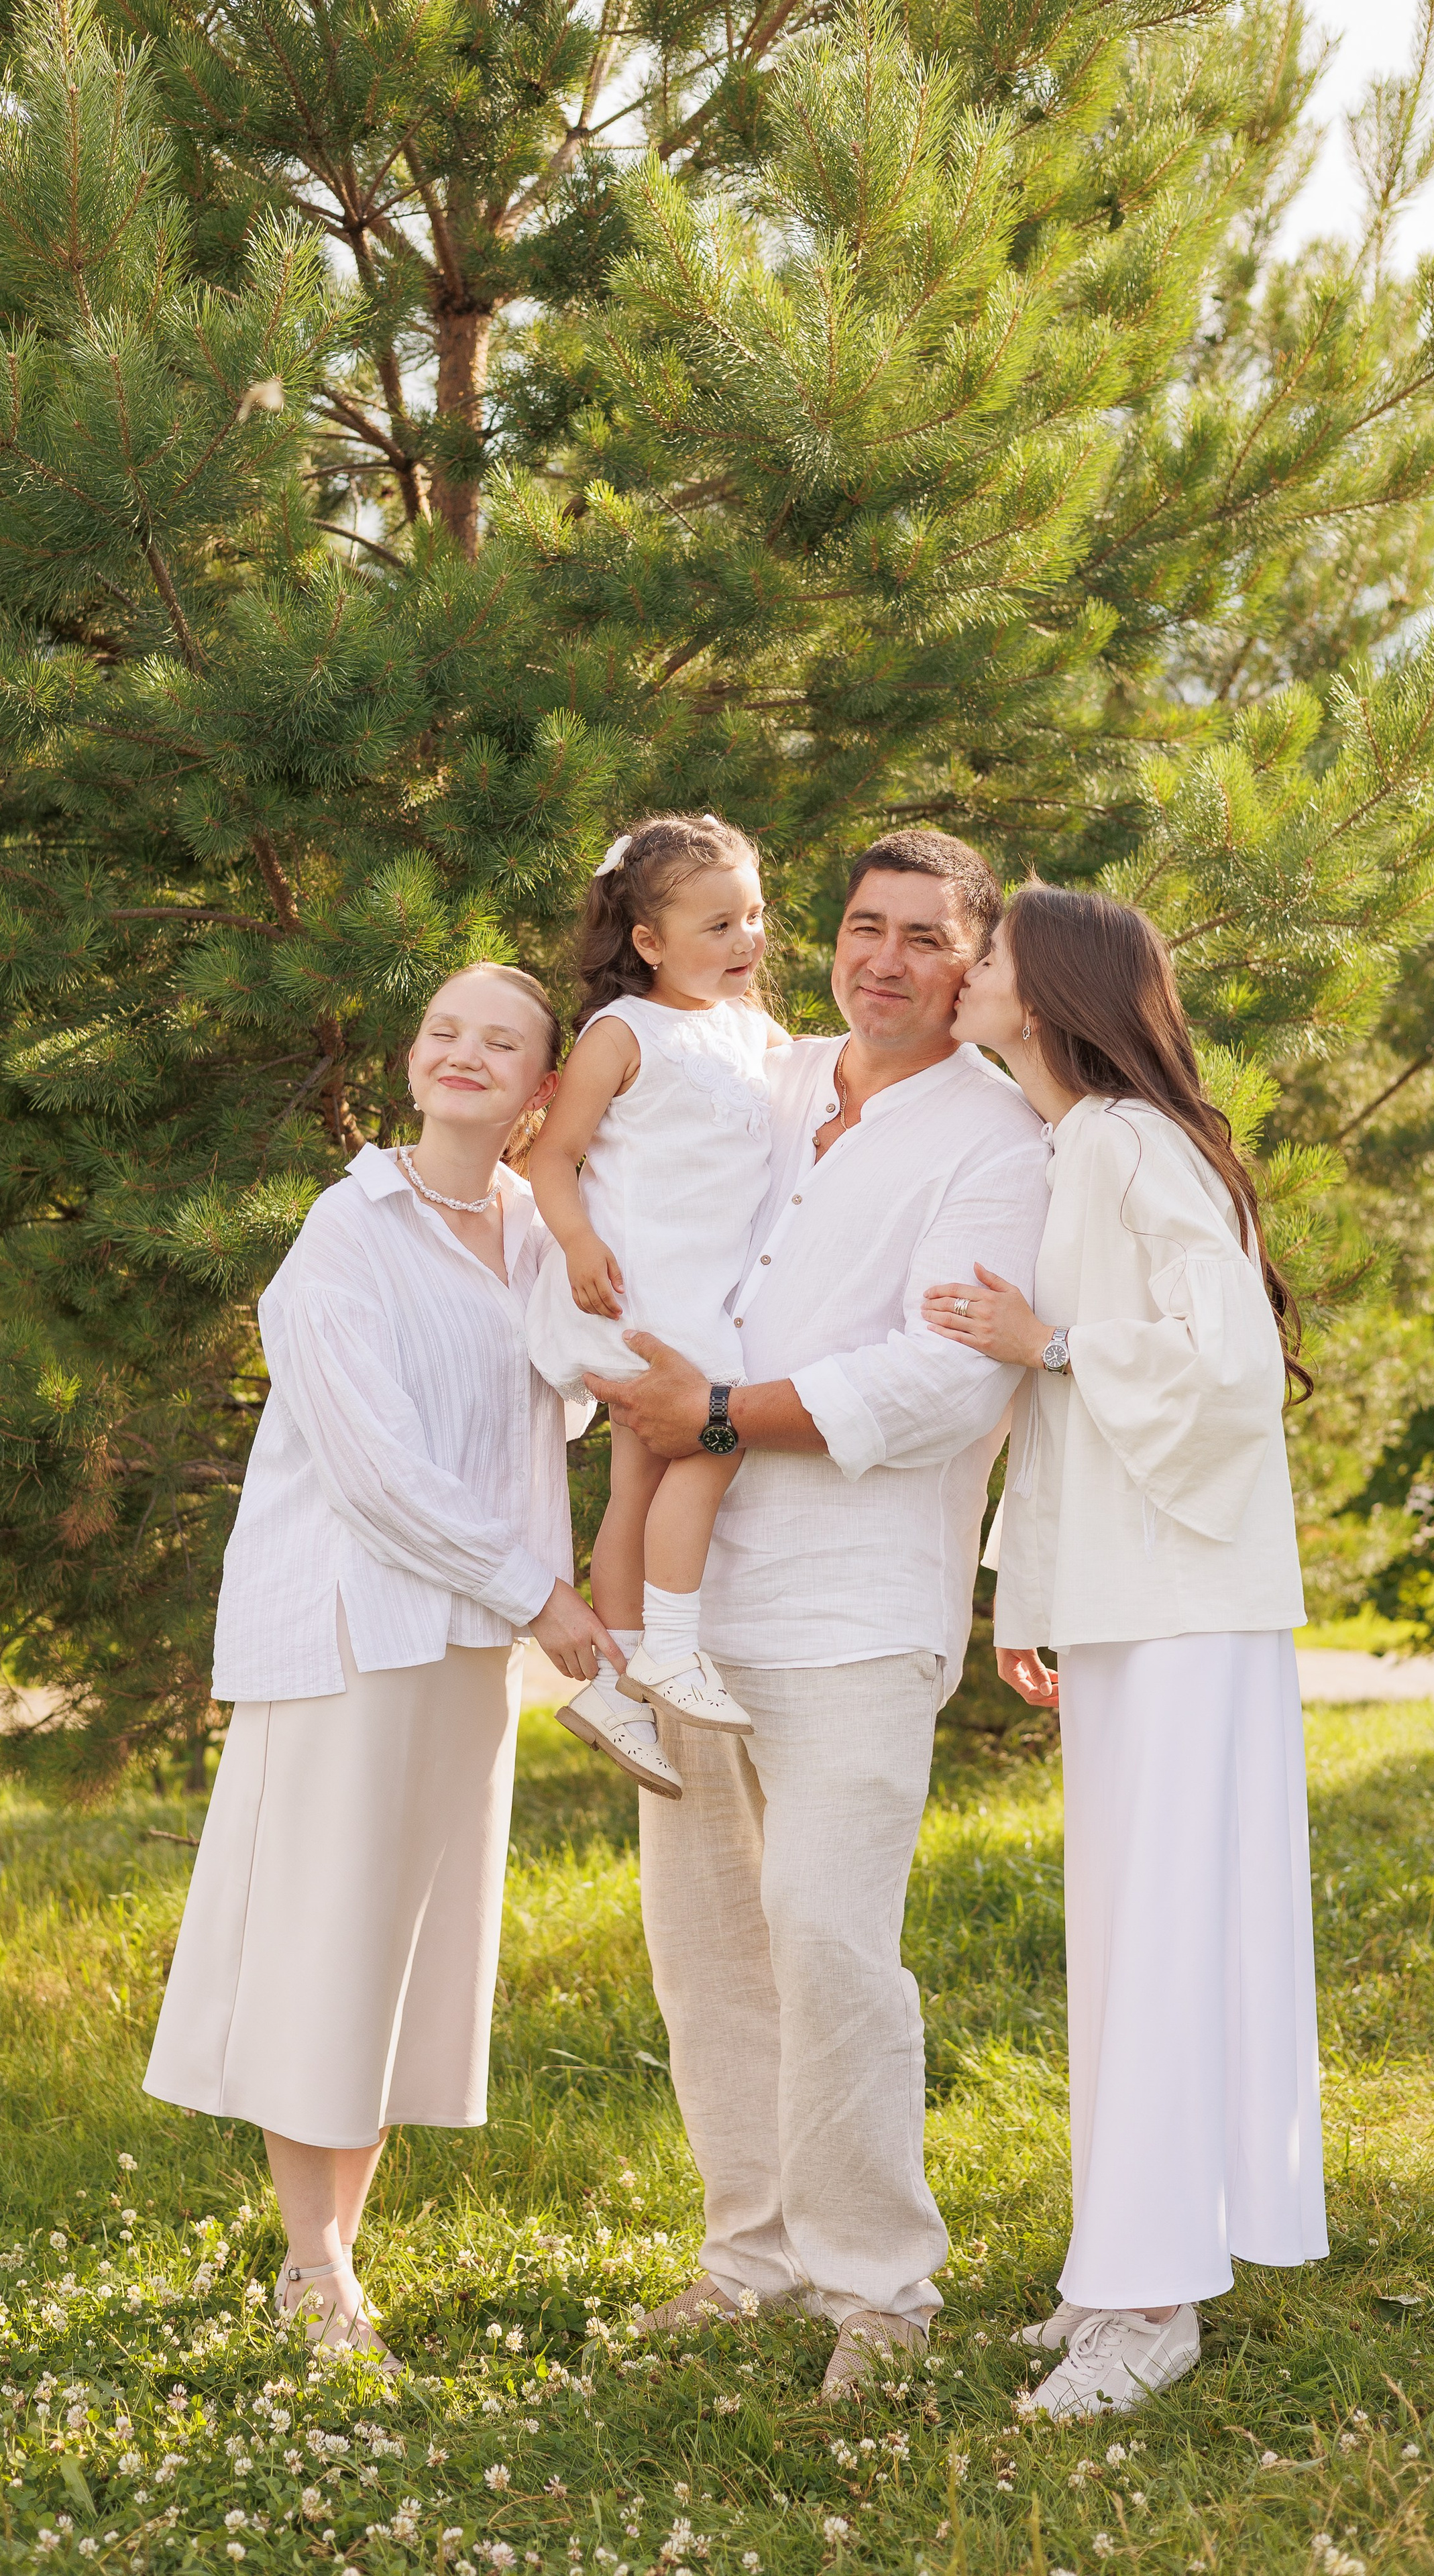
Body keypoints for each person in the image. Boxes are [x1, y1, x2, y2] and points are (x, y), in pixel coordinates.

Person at [584, 830, 1050, 2396]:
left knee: (829, 1938)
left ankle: (879, 2295)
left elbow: (943, 1381)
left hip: (850, 1601)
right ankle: (752, 2258)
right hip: (684, 1599)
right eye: (864, 928)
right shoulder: (761, 1078)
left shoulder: (992, 1142)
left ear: (974, 965)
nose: (884, 960)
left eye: (926, 938)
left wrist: (714, 1411)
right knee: (705, 1942)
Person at [142, 963, 620, 2373]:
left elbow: (577, 1396)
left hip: (466, 1645)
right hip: (352, 1630)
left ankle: (334, 2251)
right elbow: (376, 1474)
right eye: (441, 1032)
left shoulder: (537, 1230)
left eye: (502, 1043)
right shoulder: (345, 1231)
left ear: (542, 1088)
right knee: (327, 1944)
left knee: (407, 1956)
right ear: (412, 1061)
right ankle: (313, 2266)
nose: (462, 1055)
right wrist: (541, 1594)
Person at [922, 883, 1325, 2418]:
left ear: (1050, 991)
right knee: (1131, 1933)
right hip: (1134, 1599)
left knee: (1156, 1934)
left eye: (991, 954)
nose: (963, 971)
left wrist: (1051, 1341)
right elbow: (1069, 1426)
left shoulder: (1125, 1142)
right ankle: (1126, 2263)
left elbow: (1220, 1370)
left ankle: (1150, 2304)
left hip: (1177, 1605)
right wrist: (1034, 1598)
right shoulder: (1075, 1144)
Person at [525, 813, 788, 1797]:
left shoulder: (756, 1032)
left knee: (637, 1482)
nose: (746, 941)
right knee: (717, 1438)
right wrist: (578, 1239)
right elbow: (554, 1154)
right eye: (717, 925)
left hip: (701, 1284)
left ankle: (620, 1681)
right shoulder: (622, 1031)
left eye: (755, 917)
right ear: (648, 941)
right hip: (639, 1286)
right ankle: (671, 1646)